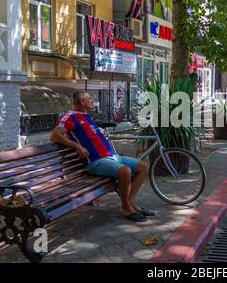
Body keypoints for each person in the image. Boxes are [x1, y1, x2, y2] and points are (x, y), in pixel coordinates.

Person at [50, 91, 153, 222]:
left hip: (112, 157)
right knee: (125, 171)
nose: (92, 100)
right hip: (95, 161)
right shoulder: (70, 116)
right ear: (82, 101)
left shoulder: (86, 116)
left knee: (143, 167)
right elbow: (54, 136)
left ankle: (131, 201)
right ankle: (126, 207)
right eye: (89, 99)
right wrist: (78, 147)